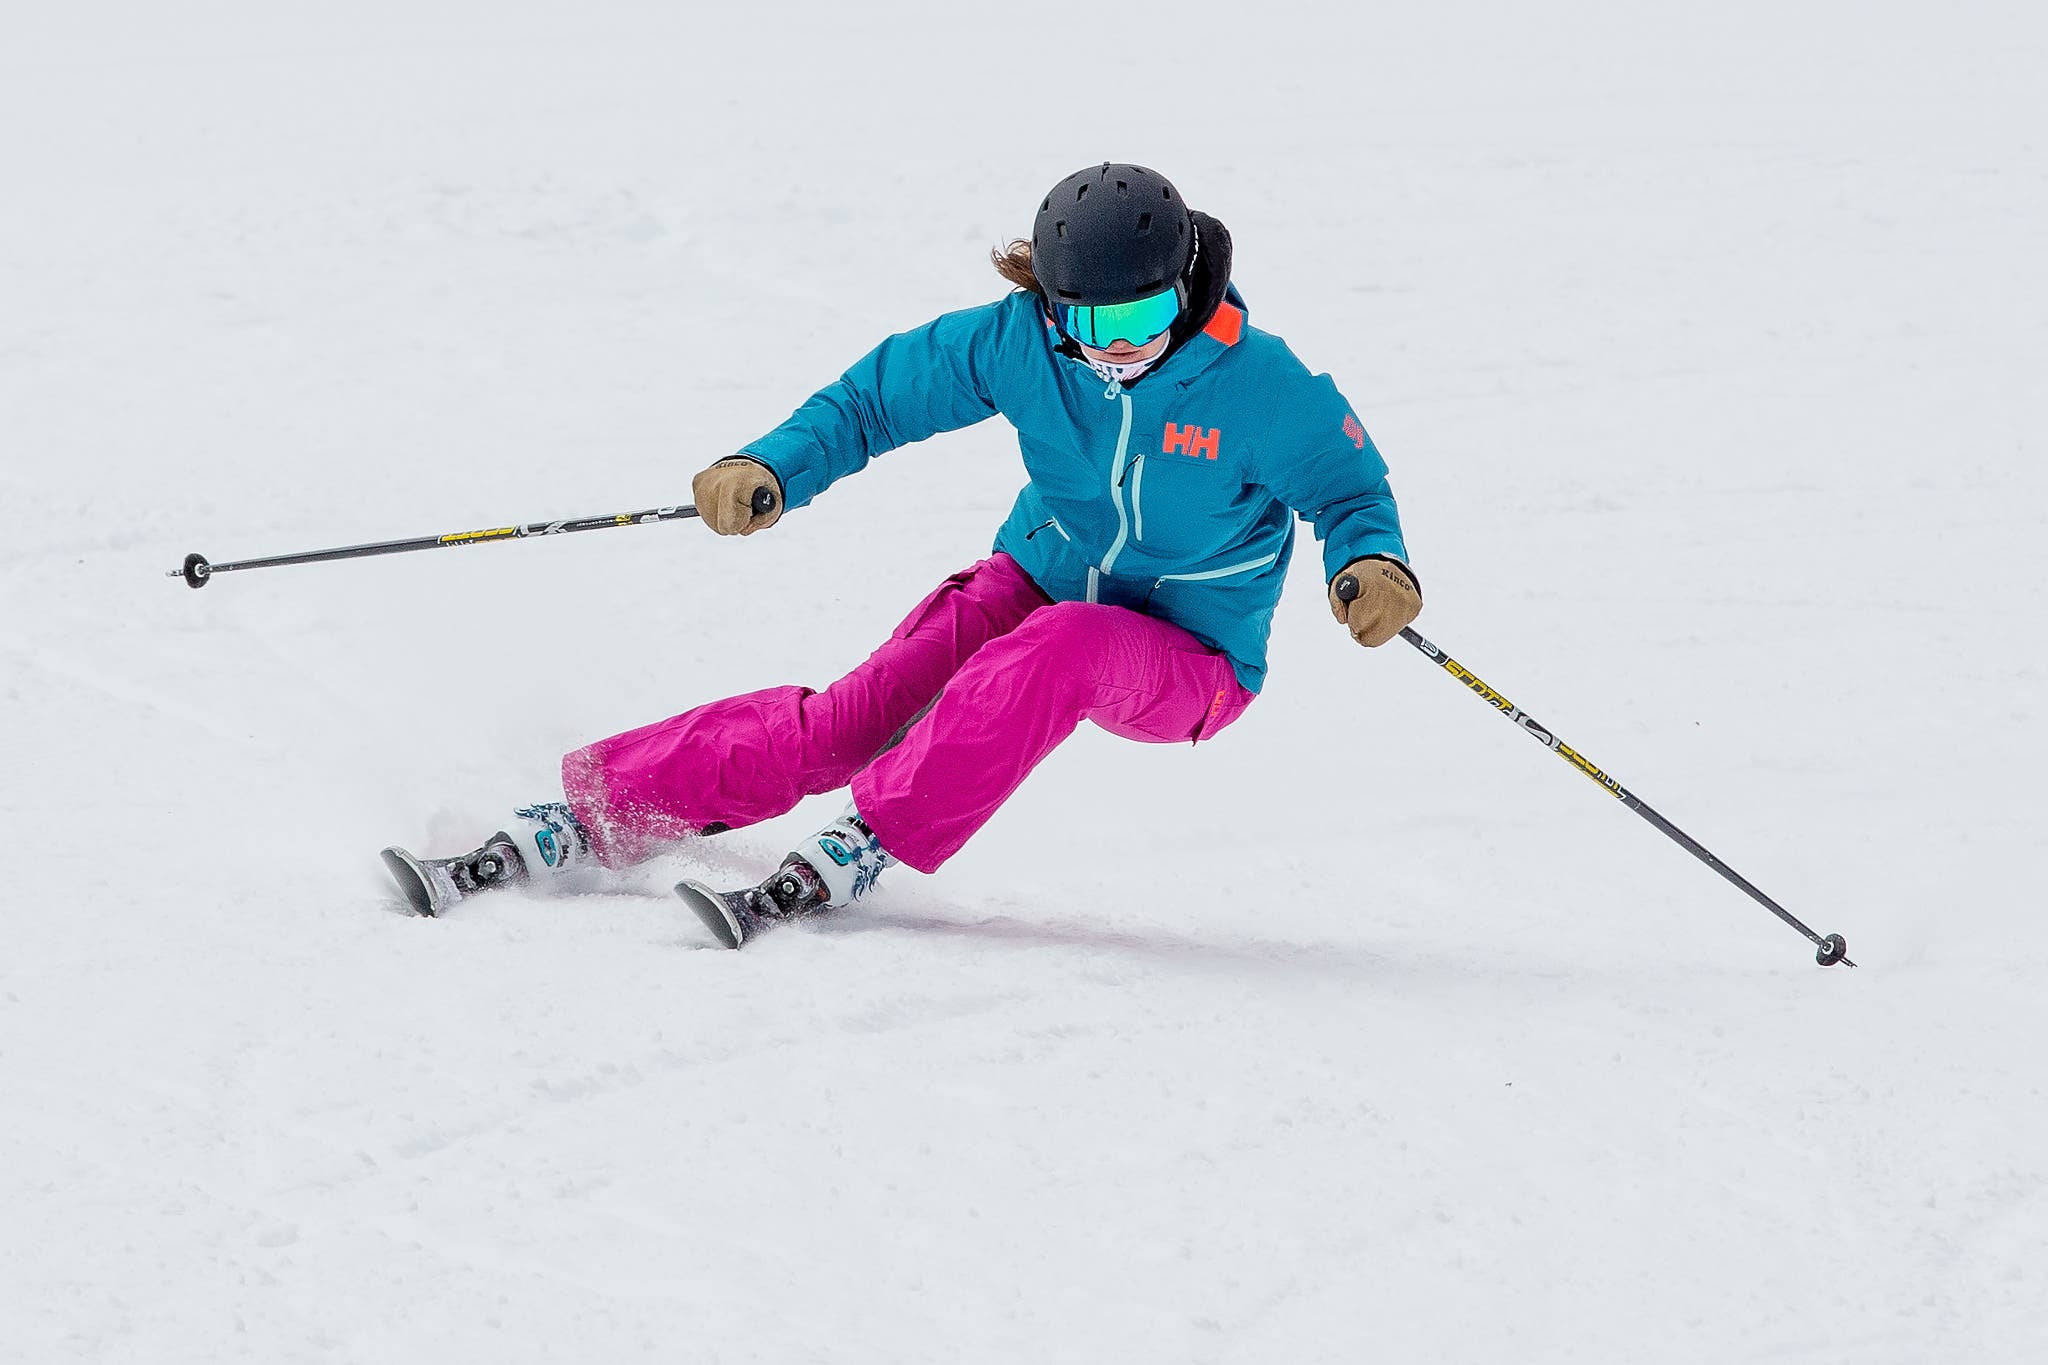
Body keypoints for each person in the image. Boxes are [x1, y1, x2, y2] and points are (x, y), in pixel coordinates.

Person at [380, 163, 1421, 931]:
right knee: (855, 717)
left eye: (1141, 313)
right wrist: (773, 464)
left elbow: (1345, 486)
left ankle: (872, 836)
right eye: (1084, 320)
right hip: (1041, 576)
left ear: (1186, 282)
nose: (1111, 346)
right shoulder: (1020, 344)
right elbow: (878, 398)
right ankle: (595, 807)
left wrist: (1369, 564)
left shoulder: (1258, 384)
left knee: (1060, 647)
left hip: (1190, 661)